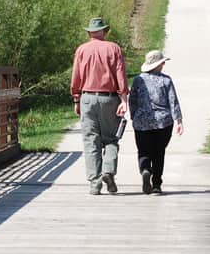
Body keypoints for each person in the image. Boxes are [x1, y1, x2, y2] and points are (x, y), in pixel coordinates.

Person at [70, 17, 129, 195]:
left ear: (89, 32)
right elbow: (120, 75)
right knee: (111, 139)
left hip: (87, 98)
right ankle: (108, 171)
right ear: (105, 31)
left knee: (91, 141)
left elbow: (76, 77)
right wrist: (124, 100)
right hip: (109, 99)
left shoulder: (82, 50)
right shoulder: (114, 48)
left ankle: (94, 184)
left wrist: (76, 98)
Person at [128, 50, 183, 195]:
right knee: (159, 153)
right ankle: (156, 185)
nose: (164, 64)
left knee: (143, 151)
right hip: (163, 122)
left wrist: (134, 116)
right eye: (163, 62)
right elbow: (173, 101)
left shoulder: (138, 80)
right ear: (158, 65)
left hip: (142, 122)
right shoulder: (166, 80)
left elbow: (132, 100)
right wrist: (179, 120)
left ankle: (145, 170)